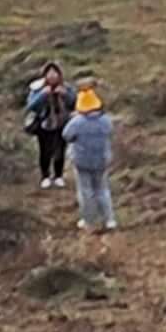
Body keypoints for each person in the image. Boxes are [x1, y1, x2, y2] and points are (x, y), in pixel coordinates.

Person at [66, 82, 119, 232]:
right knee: (103, 189)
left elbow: (66, 135)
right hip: (102, 159)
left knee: (86, 191)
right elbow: (110, 132)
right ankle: (109, 220)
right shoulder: (105, 120)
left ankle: (89, 221)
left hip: (82, 161)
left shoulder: (76, 122)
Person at [22, 61, 75, 187]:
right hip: (43, 124)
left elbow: (74, 102)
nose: (52, 76)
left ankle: (58, 176)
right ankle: (45, 176)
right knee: (44, 151)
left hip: (62, 123)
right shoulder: (37, 88)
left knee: (60, 150)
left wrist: (65, 95)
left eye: (54, 73)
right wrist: (42, 95)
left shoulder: (66, 87)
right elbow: (31, 106)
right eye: (49, 73)